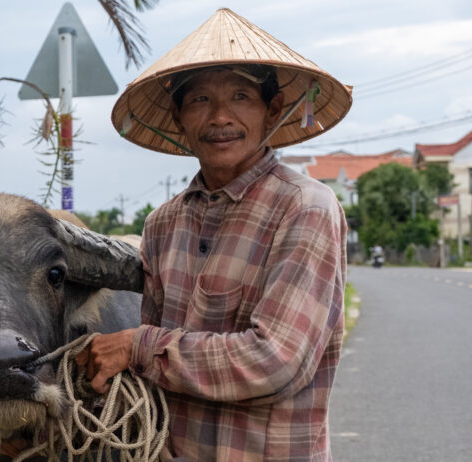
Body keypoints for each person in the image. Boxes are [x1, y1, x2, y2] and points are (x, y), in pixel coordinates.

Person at [75, 8, 352, 461]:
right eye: (200, 100)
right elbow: (148, 376)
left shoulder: (305, 208)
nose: (220, 117)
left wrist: (137, 344)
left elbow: (275, 361)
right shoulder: (162, 224)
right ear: (179, 116)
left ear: (273, 111)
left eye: (241, 96)